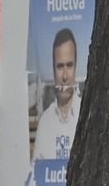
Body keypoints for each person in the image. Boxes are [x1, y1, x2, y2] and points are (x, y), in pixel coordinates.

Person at [33, 27, 80, 161]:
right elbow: (37, 171)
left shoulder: (86, 115)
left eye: (69, 65)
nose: (65, 76)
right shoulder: (45, 121)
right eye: (60, 66)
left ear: (75, 67)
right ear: (53, 70)